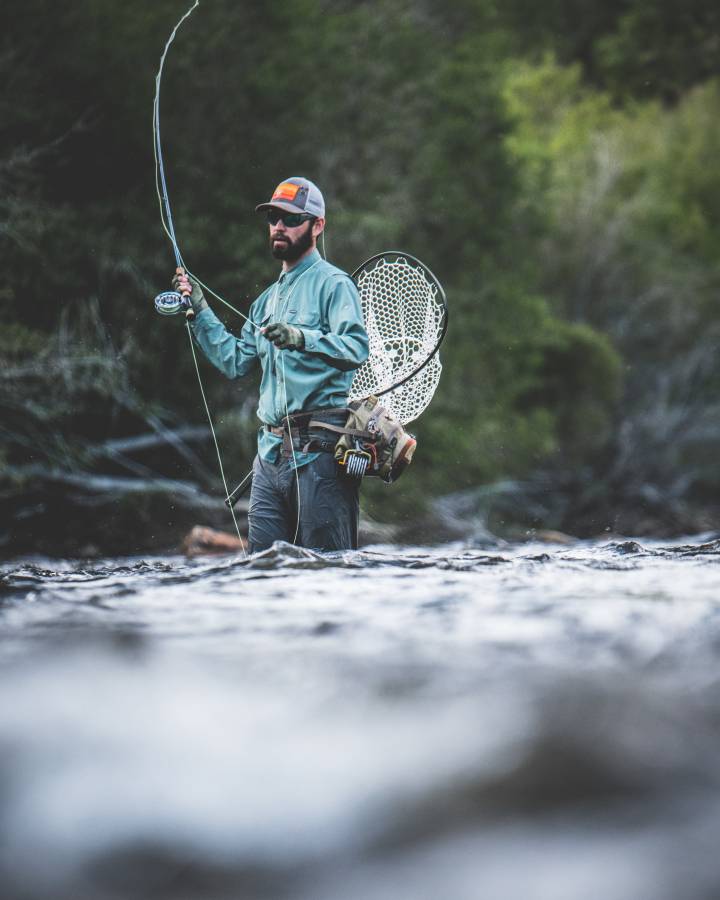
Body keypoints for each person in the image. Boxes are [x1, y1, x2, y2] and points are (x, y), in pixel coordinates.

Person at [172, 176, 369, 553]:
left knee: (325, 570)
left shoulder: (334, 285)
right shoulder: (264, 302)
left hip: (321, 456)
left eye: (291, 219)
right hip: (270, 458)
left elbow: (356, 347)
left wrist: (300, 337)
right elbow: (235, 361)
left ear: (317, 226)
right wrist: (199, 310)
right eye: (273, 218)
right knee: (262, 568)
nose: (279, 226)